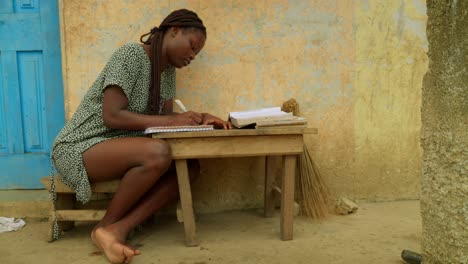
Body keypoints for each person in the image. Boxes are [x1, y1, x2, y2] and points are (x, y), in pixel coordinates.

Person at [51, 9, 232, 264]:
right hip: (81, 146)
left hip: (118, 148)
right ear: (174, 30)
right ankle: (105, 227)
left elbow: (165, 126)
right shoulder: (131, 55)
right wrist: (175, 120)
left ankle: (116, 230)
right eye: (192, 46)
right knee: (158, 152)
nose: (192, 56)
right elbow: (111, 117)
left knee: (188, 168)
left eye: (197, 53)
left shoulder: (167, 72)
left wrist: (200, 117)